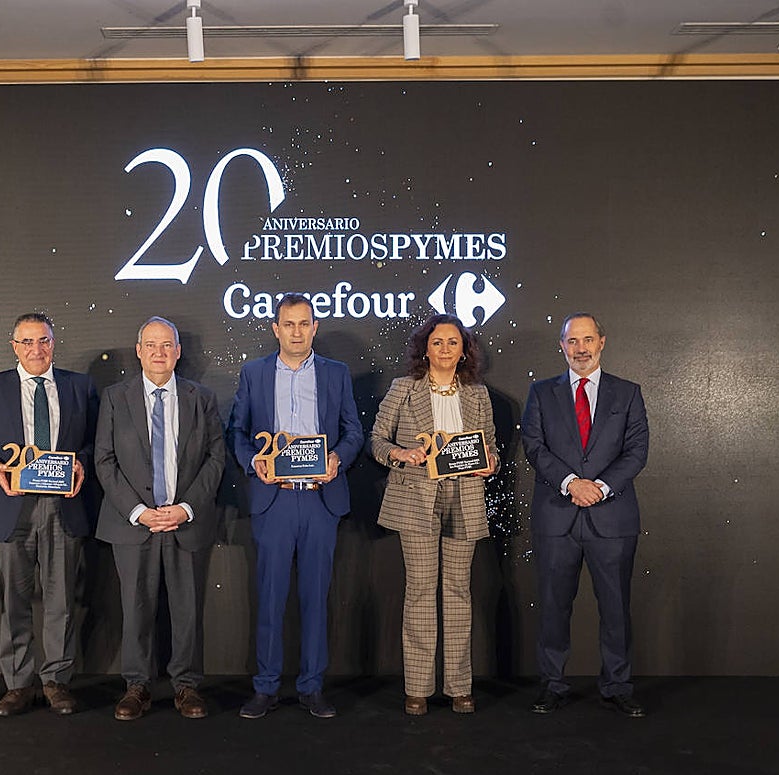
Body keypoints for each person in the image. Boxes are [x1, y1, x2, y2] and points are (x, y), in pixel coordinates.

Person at [228, 294, 364, 719]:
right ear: (276, 329)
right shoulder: (254, 373)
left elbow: (353, 431)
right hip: (275, 500)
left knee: (315, 598)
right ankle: (265, 687)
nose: (297, 332)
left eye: (304, 323)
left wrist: (338, 458)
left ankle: (312, 686)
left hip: (321, 499)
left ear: (315, 327)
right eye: (289, 324)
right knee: (269, 597)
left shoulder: (336, 373)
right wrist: (253, 461)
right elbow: (237, 431)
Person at [95, 316, 226, 721]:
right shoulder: (115, 398)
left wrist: (186, 508)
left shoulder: (201, 398)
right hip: (133, 523)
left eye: (166, 345)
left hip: (185, 521)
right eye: (151, 345)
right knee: (136, 607)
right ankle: (137, 686)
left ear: (178, 351)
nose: (159, 352)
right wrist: (139, 512)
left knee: (187, 608)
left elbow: (216, 458)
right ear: (138, 351)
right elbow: (104, 460)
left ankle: (186, 685)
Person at [369, 314, 499, 716]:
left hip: (465, 498)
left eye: (453, 342)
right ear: (425, 349)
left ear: (464, 351)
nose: (445, 349)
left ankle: (459, 687)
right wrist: (401, 454)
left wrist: (490, 463)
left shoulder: (478, 394)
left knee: (458, 591)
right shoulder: (403, 389)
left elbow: (491, 447)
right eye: (437, 342)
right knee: (421, 591)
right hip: (416, 500)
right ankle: (418, 689)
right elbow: (377, 440)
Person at [0, 313, 98, 717]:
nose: (36, 349)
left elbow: (97, 442)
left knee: (61, 600)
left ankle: (56, 680)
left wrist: (82, 464)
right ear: (14, 347)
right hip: (11, 506)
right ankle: (18, 684)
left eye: (43, 340)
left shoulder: (80, 387)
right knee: (14, 601)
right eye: (26, 342)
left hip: (65, 506)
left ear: (53, 343)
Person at [521, 313, 649, 717]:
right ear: (562, 345)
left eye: (587, 339)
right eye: (572, 341)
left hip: (612, 519)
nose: (581, 348)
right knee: (553, 607)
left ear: (602, 342)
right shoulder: (541, 393)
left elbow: (636, 452)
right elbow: (534, 446)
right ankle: (552, 685)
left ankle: (617, 686)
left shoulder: (628, 393)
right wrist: (571, 483)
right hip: (556, 518)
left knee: (615, 608)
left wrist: (600, 487)